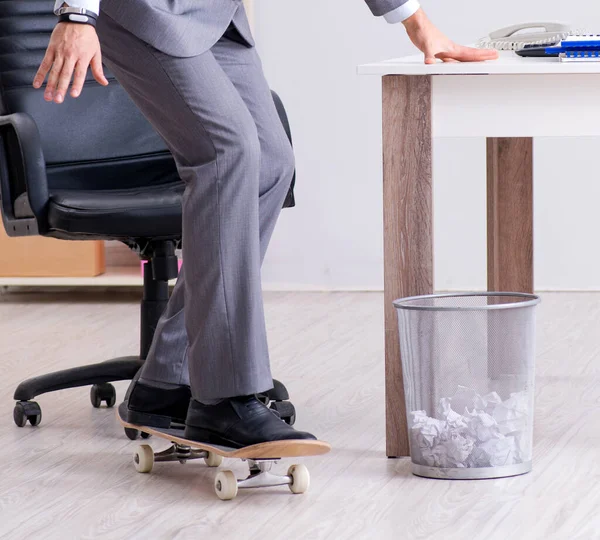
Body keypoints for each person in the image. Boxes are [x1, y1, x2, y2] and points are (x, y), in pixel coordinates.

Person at [34, 0, 498, 448]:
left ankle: (166, 377)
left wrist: (417, 23)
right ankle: (224, 396)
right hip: (143, 9)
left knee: (270, 164)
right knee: (226, 152)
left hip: (214, 14)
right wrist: (77, 12)